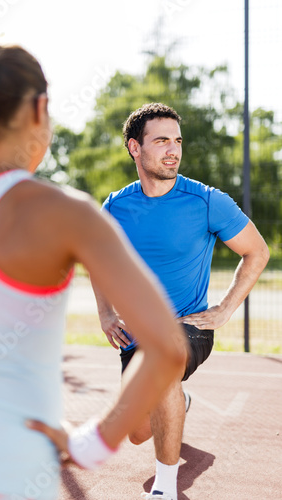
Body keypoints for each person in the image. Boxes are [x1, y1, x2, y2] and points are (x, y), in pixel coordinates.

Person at [0, 49, 189, 500]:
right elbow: (166, 347)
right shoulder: (67, 212)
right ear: (39, 108)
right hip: (13, 474)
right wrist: (91, 442)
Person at [92, 103, 270, 500]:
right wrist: (105, 312)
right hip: (137, 334)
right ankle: (179, 402)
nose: (173, 149)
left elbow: (257, 252)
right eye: (161, 141)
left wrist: (224, 309)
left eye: (177, 141)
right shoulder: (116, 207)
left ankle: (164, 489)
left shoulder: (207, 201)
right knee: (138, 433)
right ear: (135, 148)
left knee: (164, 364)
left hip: (188, 328)